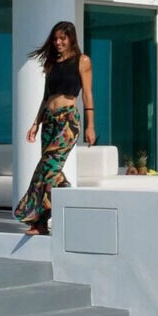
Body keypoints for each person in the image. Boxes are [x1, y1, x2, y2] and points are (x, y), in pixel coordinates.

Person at [14, 20, 94, 235]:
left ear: (71, 39)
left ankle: (39, 219)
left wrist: (90, 126)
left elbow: (87, 94)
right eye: (55, 38)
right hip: (49, 120)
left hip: (68, 121)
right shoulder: (52, 63)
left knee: (45, 170)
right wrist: (35, 123)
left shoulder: (82, 61)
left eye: (62, 38)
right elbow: (45, 97)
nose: (58, 42)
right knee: (52, 172)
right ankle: (68, 203)